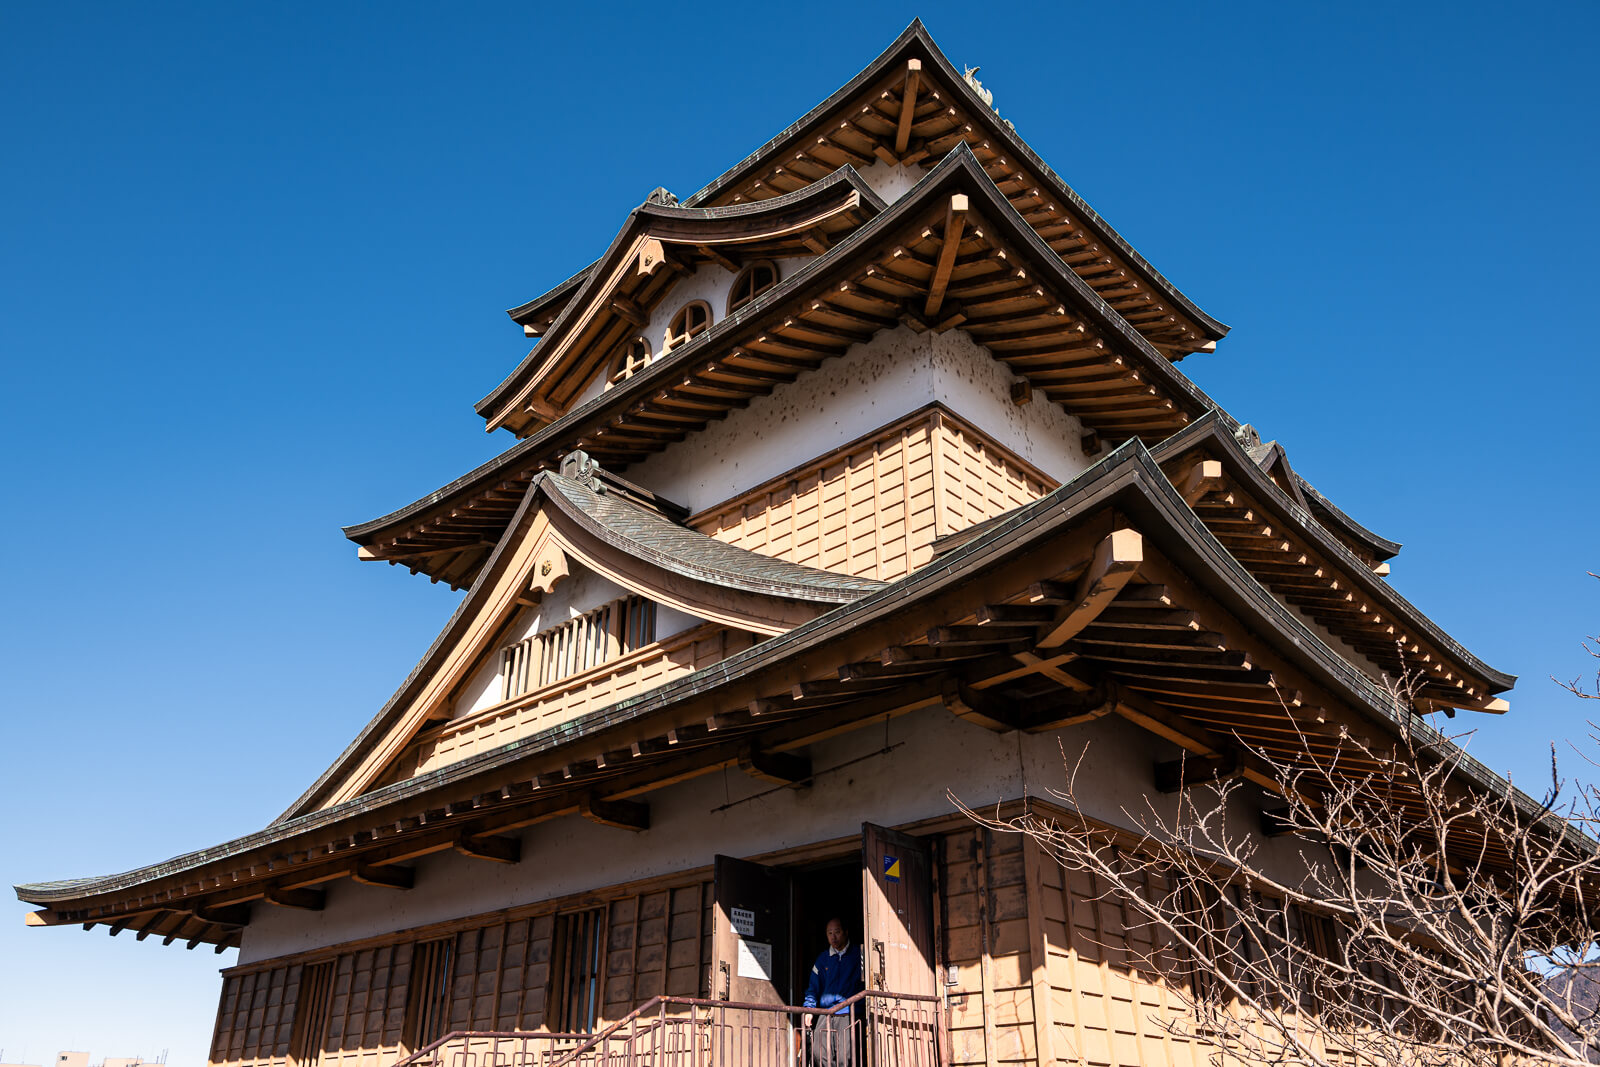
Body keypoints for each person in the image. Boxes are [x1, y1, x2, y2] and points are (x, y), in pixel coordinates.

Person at [802, 917, 863, 1067]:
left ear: (845, 932)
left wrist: (860, 1008)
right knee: (819, 1054)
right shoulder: (823, 959)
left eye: (837, 932)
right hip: (826, 1012)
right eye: (829, 933)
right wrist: (809, 1009)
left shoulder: (858, 955)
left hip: (848, 1013)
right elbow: (813, 987)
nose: (833, 937)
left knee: (845, 1057)